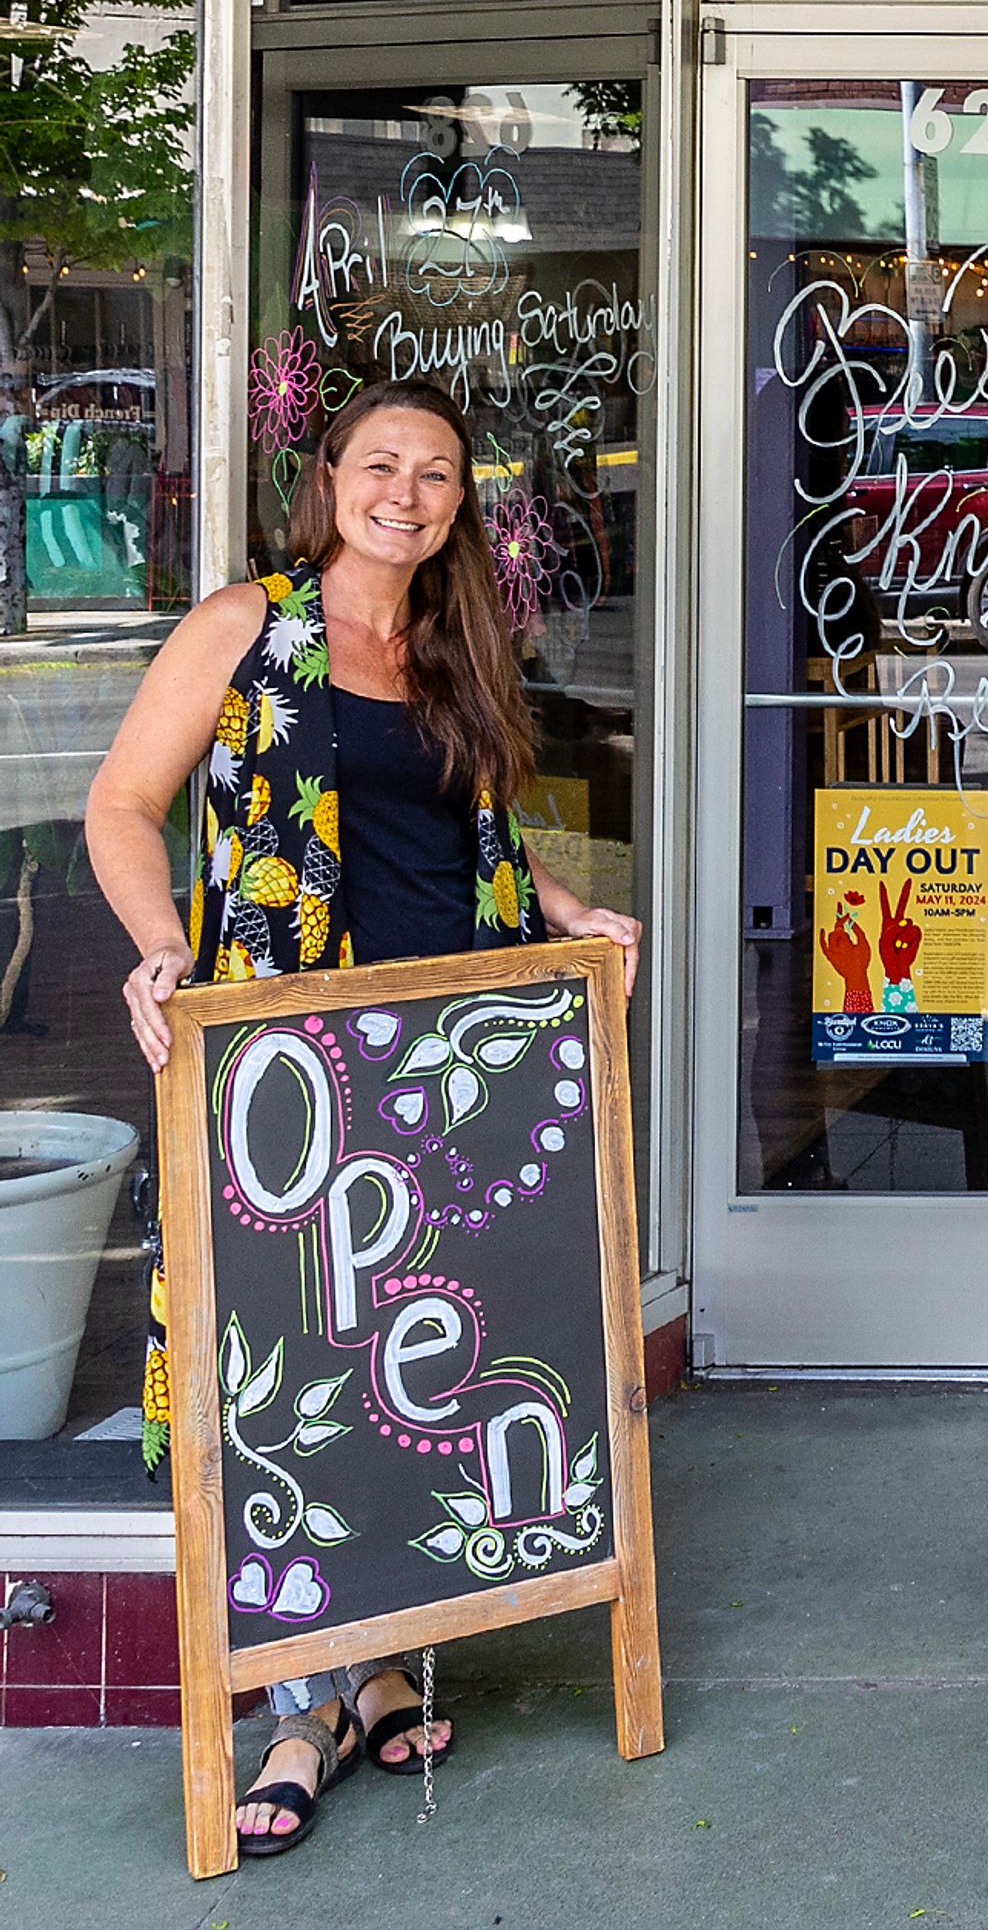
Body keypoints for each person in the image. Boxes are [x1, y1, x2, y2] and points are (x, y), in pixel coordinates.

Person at [84, 378, 643, 1859]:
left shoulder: (459, 638)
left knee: (408, 1349)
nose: (408, 490)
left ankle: (388, 1656)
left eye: (440, 472)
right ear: (327, 474)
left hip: (449, 1060)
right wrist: (162, 947)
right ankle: (293, 1707)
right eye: (381, 463)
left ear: (465, 497)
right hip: (284, 1065)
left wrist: (568, 906)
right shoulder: (246, 625)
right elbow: (122, 806)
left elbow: (476, 829)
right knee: (278, 1365)